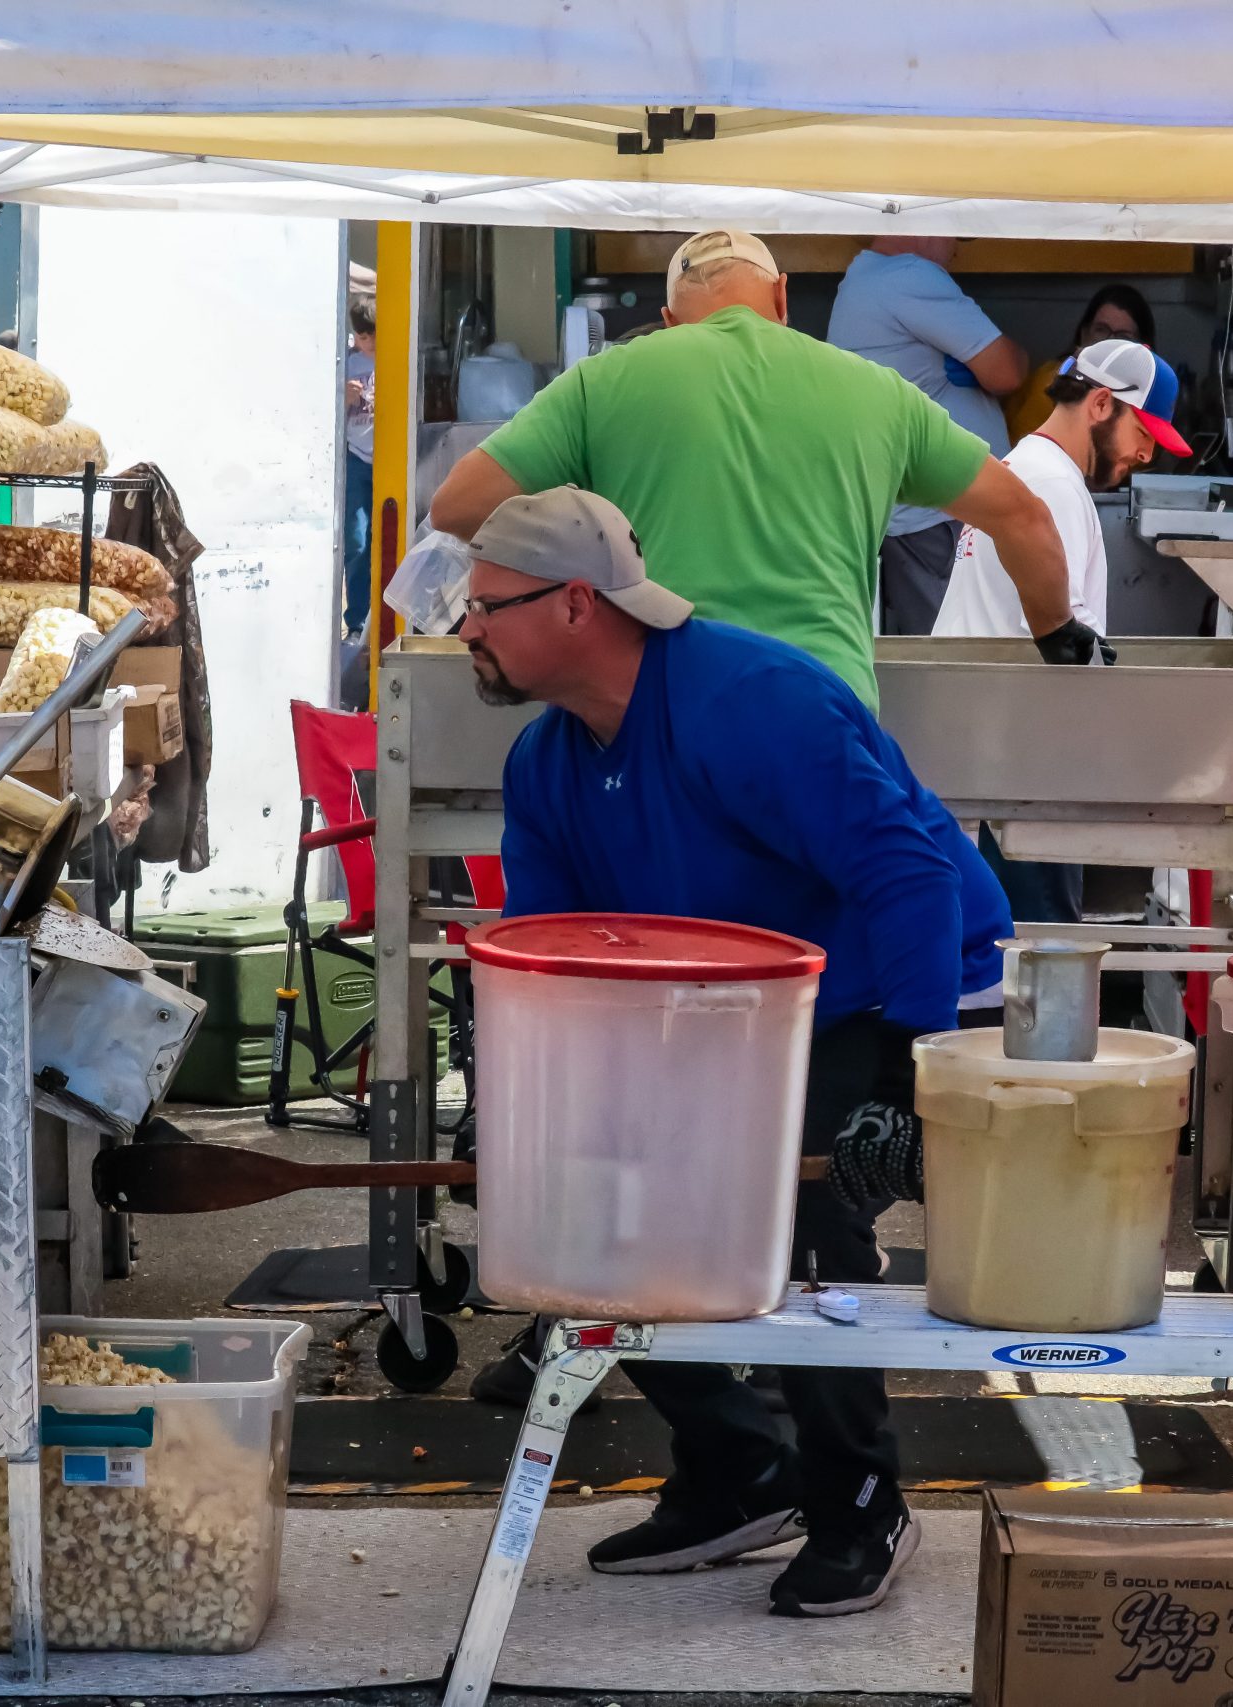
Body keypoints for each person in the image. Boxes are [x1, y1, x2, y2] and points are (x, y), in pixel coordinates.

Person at [461, 486, 1009, 1617]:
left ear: (575, 606)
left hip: (885, 975)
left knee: (801, 1218)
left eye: (483, 607)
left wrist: (912, 1076)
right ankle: (737, 1472)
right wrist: (520, 1093)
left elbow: (903, 872)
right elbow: (557, 953)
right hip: (723, 1005)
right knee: (596, 1201)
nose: (463, 630)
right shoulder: (545, 761)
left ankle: (862, 1500)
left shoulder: (751, 702)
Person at [427, 229, 1080, 711]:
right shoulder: (878, 393)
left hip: (670, 712)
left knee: (679, 903)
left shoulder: (606, 382)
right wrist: (1057, 631)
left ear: (668, 321)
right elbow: (1022, 515)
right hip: (828, 716)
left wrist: (589, 519)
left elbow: (457, 506)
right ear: (782, 296)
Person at [825, 237, 1027, 633]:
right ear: (927, 223)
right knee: (955, 661)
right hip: (939, 521)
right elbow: (1009, 372)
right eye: (955, 234)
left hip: (922, 516)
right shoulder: (907, 275)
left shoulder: (862, 278)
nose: (956, 249)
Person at [937, 339, 1188, 641]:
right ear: (1101, 403)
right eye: (1143, 433)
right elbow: (1062, 632)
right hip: (1003, 686)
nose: (1147, 454)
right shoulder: (1053, 484)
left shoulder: (1028, 463)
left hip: (976, 682)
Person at [1005, 282, 1156, 442]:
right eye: (1101, 330)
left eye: (1123, 337)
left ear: (1145, 349)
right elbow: (1021, 455)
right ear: (1084, 334)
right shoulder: (1052, 385)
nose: (1110, 342)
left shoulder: (1149, 396)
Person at [344, 294, 378, 636]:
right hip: (355, 456)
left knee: (381, 539)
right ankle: (356, 620)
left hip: (385, 457)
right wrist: (345, 396)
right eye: (360, 336)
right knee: (355, 540)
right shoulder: (349, 364)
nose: (364, 343)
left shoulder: (395, 361)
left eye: (369, 336)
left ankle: (379, 619)